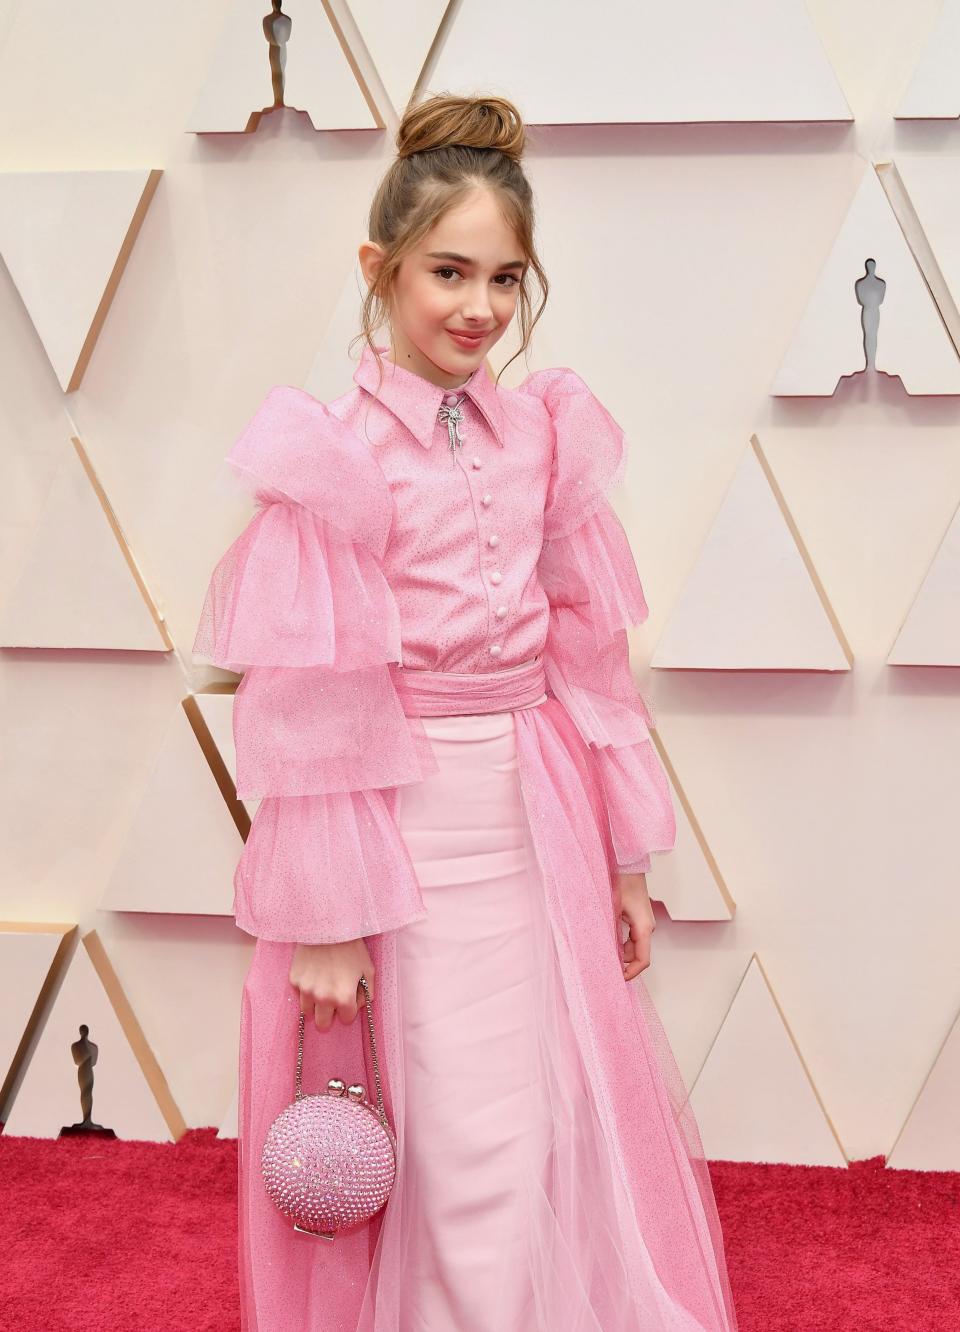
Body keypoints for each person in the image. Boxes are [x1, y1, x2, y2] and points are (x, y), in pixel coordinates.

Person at [193, 92, 739, 1332]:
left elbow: (591, 664)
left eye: (504, 278)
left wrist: (624, 859)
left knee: (545, 1106)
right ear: (379, 270)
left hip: (536, 818)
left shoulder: (543, 436)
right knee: (443, 1125)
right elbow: (311, 701)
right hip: (401, 825)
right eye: (448, 271)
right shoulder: (333, 456)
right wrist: (327, 922)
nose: (479, 308)